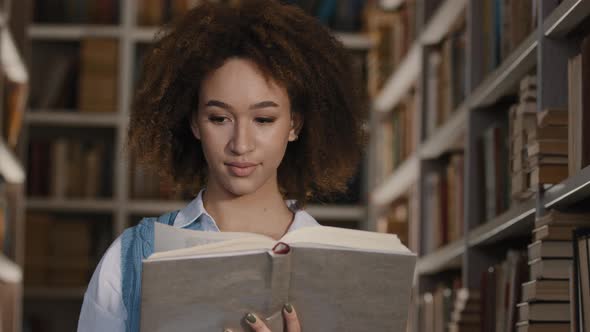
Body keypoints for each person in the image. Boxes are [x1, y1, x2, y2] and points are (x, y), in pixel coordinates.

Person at [77, 0, 365, 331]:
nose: (240, 144)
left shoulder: (344, 269)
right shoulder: (129, 259)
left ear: (294, 125)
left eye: (264, 119)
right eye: (219, 118)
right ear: (195, 123)